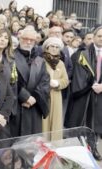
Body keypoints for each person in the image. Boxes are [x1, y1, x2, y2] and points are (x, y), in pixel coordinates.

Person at [65, 26, 102, 160]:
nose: (101, 39)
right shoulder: (84, 53)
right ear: (94, 37)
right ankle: (81, 149)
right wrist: (92, 85)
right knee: (85, 122)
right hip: (86, 93)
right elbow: (80, 74)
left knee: (98, 122)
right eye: (99, 36)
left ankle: (94, 147)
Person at [12, 28, 50, 136]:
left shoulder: (40, 60)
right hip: (18, 104)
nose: (28, 42)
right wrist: (25, 96)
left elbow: (45, 81)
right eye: (25, 39)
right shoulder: (11, 57)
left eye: (32, 40)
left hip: (34, 105)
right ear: (19, 38)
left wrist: (34, 98)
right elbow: (10, 80)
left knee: (32, 143)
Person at [41, 37, 69, 140]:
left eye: (57, 47)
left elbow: (65, 80)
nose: (54, 48)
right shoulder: (41, 61)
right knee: (44, 122)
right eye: (52, 46)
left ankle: (55, 147)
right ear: (47, 48)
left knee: (56, 122)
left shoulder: (61, 63)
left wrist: (57, 83)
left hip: (56, 96)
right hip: (44, 95)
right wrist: (47, 84)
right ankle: (43, 146)